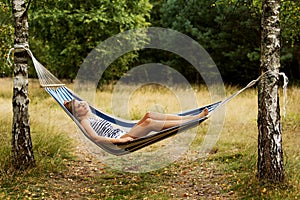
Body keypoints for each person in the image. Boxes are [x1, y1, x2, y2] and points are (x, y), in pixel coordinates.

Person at [64, 99, 209, 144]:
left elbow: (83, 104)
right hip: (120, 139)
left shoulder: (90, 115)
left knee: (149, 114)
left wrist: (70, 103)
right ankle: (193, 120)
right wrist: (119, 142)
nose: (83, 104)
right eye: (78, 106)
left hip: (125, 132)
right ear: (77, 113)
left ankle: (190, 118)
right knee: (150, 122)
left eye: (82, 103)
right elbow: (95, 138)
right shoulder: (85, 121)